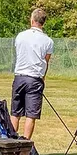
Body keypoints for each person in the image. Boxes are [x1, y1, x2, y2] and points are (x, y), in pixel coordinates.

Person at [10, 8, 54, 142]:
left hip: (20, 77)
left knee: (15, 112)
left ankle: (10, 141)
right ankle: (24, 143)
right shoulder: (48, 41)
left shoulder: (21, 36)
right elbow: (46, 61)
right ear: (43, 22)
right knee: (31, 114)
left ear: (32, 20)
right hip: (35, 79)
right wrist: (43, 78)